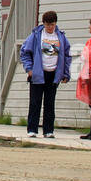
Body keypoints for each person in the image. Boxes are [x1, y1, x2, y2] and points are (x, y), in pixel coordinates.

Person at [19, 10, 71, 138]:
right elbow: (25, 52)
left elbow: (67, 56)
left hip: (53, 74)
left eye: (52, 25)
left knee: (50, 102)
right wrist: (29, 69)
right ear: (43, 24)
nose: (50, 27)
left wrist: (65, 73)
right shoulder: (36, 35)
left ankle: (48, 130)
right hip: (38, 74)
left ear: (55, 24)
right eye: (47, 25)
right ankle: (32, 129)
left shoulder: (61, 37)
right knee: (35, 102)